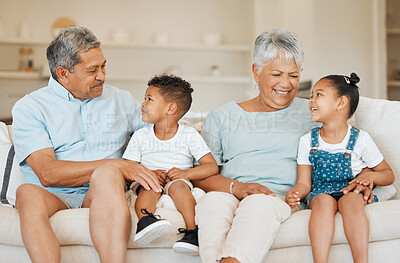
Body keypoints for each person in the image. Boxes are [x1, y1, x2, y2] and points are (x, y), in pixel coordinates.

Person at [192, 29, 378, 263]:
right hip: (229, 191)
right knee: (211, 203)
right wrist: (237, 187)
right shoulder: (221, 116)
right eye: (277, 74)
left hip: (276, 198)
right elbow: (200, 176)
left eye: (293, 75)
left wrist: (363, 181)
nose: (286, 84)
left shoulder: (314, 113)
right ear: (256, 72)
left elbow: (348, 150)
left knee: (258, 204)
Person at [12, 26, 161, 263]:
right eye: (92, 70)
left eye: (103, 66)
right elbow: (47, 173)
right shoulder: (30, 108)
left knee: (108, 174)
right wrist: (116, 164)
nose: (102, 75)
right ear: (63, 73)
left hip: (103, 192)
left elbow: (158, 135)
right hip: (54, 196)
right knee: (26, 193)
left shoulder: (120, 99)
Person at [285, 73, 394, 263]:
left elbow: (388, 174)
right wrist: (296, 193)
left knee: (350, 201)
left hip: (351, 190)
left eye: (318, 94)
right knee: (323, 203)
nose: (311, 100)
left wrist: (371, 178)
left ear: (340, 102)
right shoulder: (307, 141)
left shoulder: (361, 139)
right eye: (311, 96)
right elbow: (304, 183)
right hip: (320, 192)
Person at [122, 74, 218, 255]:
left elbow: (211, 166)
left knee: (180, 187)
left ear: (170, 108)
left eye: (149, 99)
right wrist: (148, 172)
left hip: (179, 180)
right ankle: (145, 221)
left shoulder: (189, 135)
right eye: (144, 98)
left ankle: (192, 232)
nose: (143, 104)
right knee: (150, 187)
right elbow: (128, 168)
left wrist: (186, 174)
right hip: (148, 180)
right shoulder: (141, 136)